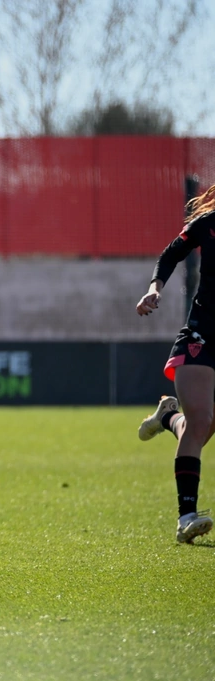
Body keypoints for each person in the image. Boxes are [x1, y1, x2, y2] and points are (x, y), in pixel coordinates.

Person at [136, 181, 215, 544]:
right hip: (202, 335)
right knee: (199, 423)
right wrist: (154, 288)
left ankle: (167, 417)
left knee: (199, 427)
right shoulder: (207, 224)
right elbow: (170, 255)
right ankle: (187, 518)